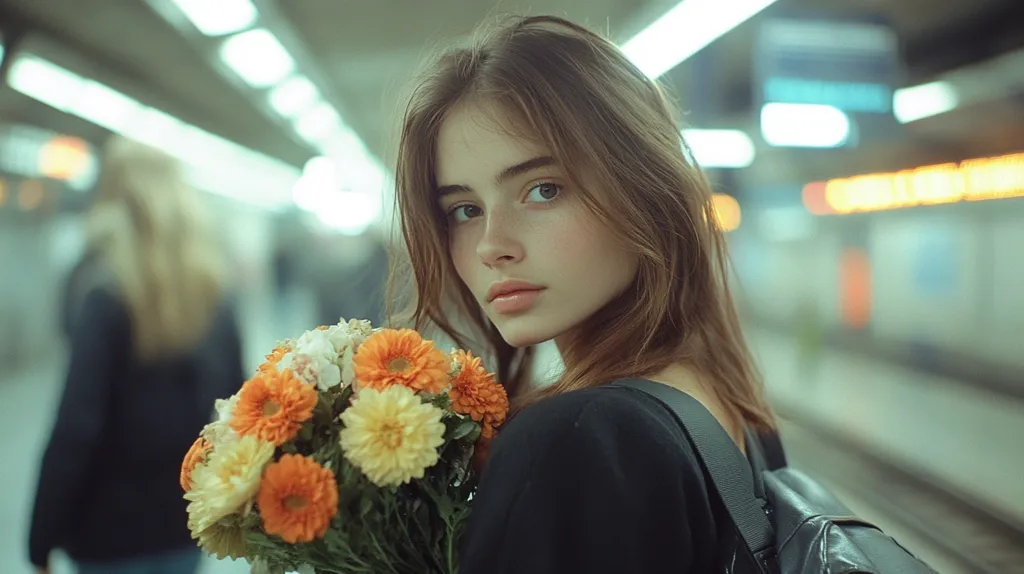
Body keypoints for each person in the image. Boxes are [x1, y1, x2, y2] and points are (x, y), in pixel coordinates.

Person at [391, 15, 784, 573]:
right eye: (465, 210)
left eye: (542, 190)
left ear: (644, 191)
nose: (491, 246)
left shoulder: (576, 439)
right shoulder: (732, 407)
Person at [29, 137, 246, 574]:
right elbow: (237, 409)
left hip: (106, 533)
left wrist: (41, 536)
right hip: (182, 518)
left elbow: (78, 426)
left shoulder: (105, 295)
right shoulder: (212, 294)